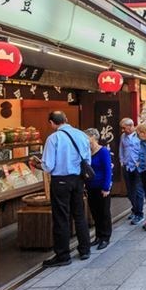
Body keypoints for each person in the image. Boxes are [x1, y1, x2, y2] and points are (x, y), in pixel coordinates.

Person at [40, 111, 91, 267]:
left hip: (61, 180)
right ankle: (85, 250)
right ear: (66, 119)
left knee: (61, 217)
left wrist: (38, 164)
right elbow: (87, 159)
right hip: (78, 179)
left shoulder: (54, 138)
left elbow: (48, 165)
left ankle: (63, 255)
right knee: (79, 214)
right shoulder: (82, 135)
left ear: (51, 123)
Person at [83, 128, 113, 250]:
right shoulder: (87, 152)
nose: (85, 140)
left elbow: (108, 170)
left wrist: (106, 187)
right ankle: (98, 236)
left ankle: (105, 237)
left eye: (87, 137)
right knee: (95, 212)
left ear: (94, 137)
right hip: (90, 186)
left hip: (101, 186)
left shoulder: (103, 151)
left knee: (104, 212)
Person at [119, 118, 146, 226]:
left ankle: (139, 214)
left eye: (124, 128)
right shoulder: (123, 137)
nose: (122, 130)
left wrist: (141, 162)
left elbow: (144, 149)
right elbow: (121, 149)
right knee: (130, 191)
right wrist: (121, 161)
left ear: (131, 126)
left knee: (139, 190)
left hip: (137, 167)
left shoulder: (139, 136)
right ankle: (134, 209)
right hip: (127, 166)